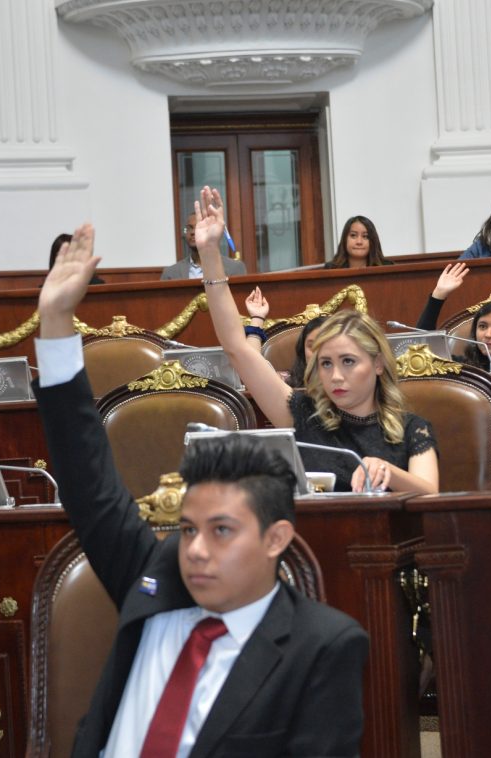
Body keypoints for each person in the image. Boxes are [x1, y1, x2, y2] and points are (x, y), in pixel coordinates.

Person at [32, 225, 368, 757]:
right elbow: (89, 484)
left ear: (276, 538)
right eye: (188, 529)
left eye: (222, 531)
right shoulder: (155, 579)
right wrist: (54, 322)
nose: (195, 550)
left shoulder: (321, 646)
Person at [195, 186, 440, 494]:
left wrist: (387, 471)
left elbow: (431, 493)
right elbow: (236, 349)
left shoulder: (411, 428)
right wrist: (209, 254)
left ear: (378, 363)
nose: (335, 375)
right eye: (325, 363)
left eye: (348, 361)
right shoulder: (302, 413)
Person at [162, 212, 246, 281]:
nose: (192, 232)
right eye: (189, 228)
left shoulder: (235, 268)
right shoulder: (170, 273)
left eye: (199, 227)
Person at [324, 216, 392, 269]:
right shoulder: (331, 269)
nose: (359, 242)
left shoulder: (387, 268)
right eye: (353, 235)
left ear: (373, 241)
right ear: (345, 239)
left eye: (365, 236)